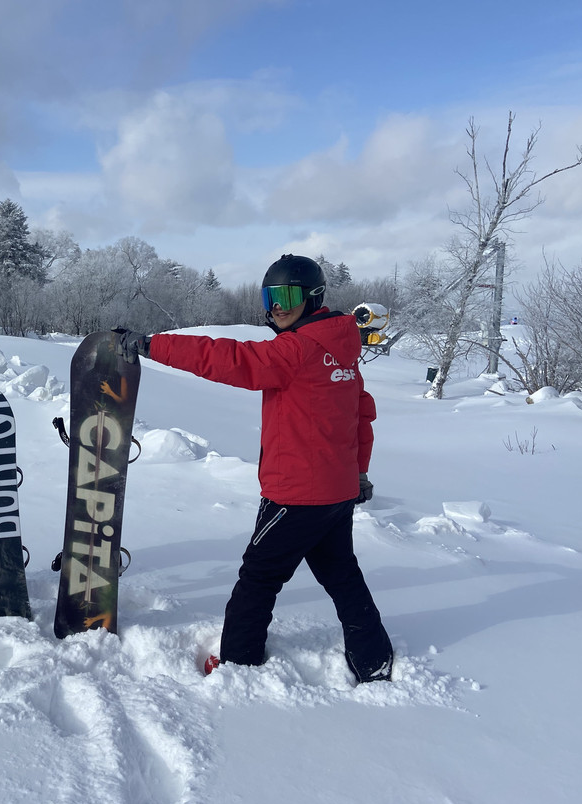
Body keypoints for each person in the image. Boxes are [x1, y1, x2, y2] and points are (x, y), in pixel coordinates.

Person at [114, 254, 394, 683]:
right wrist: (358, 474)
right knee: (342, 576)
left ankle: (238, 663)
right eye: (270, 297)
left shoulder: (296, 349)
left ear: (313, 297)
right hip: (337, 492)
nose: (277, 307)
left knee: (258, 579)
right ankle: (373, 658)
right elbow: (360, 416)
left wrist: (153, 345)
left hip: (296, 494)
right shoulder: (342, 350)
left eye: (287, 296)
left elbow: (228, 359)